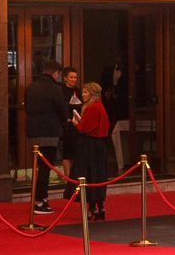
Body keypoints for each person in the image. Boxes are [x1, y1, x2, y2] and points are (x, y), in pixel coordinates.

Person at [23, 61, 69, 214]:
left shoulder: (30, 87)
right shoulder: (55, 89)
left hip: (32, 131)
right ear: (56, 73)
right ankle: (40, 200)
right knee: (45, 168)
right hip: (49, 132)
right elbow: (62, 110)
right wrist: (64, 123)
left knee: (38, 166)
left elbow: (27, 108)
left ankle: (38, 198)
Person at [74, 82, 114, 221]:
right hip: (100, 145)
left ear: (92, 94)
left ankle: (92, 208)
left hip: (89, 144)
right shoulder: (101, 106)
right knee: (98, 174)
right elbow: (106, 125)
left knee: (89, 175)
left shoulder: (91, 107)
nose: (83, 95)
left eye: (85, 92)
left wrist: (76, 123)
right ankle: (99, 205)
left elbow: (85, 128)